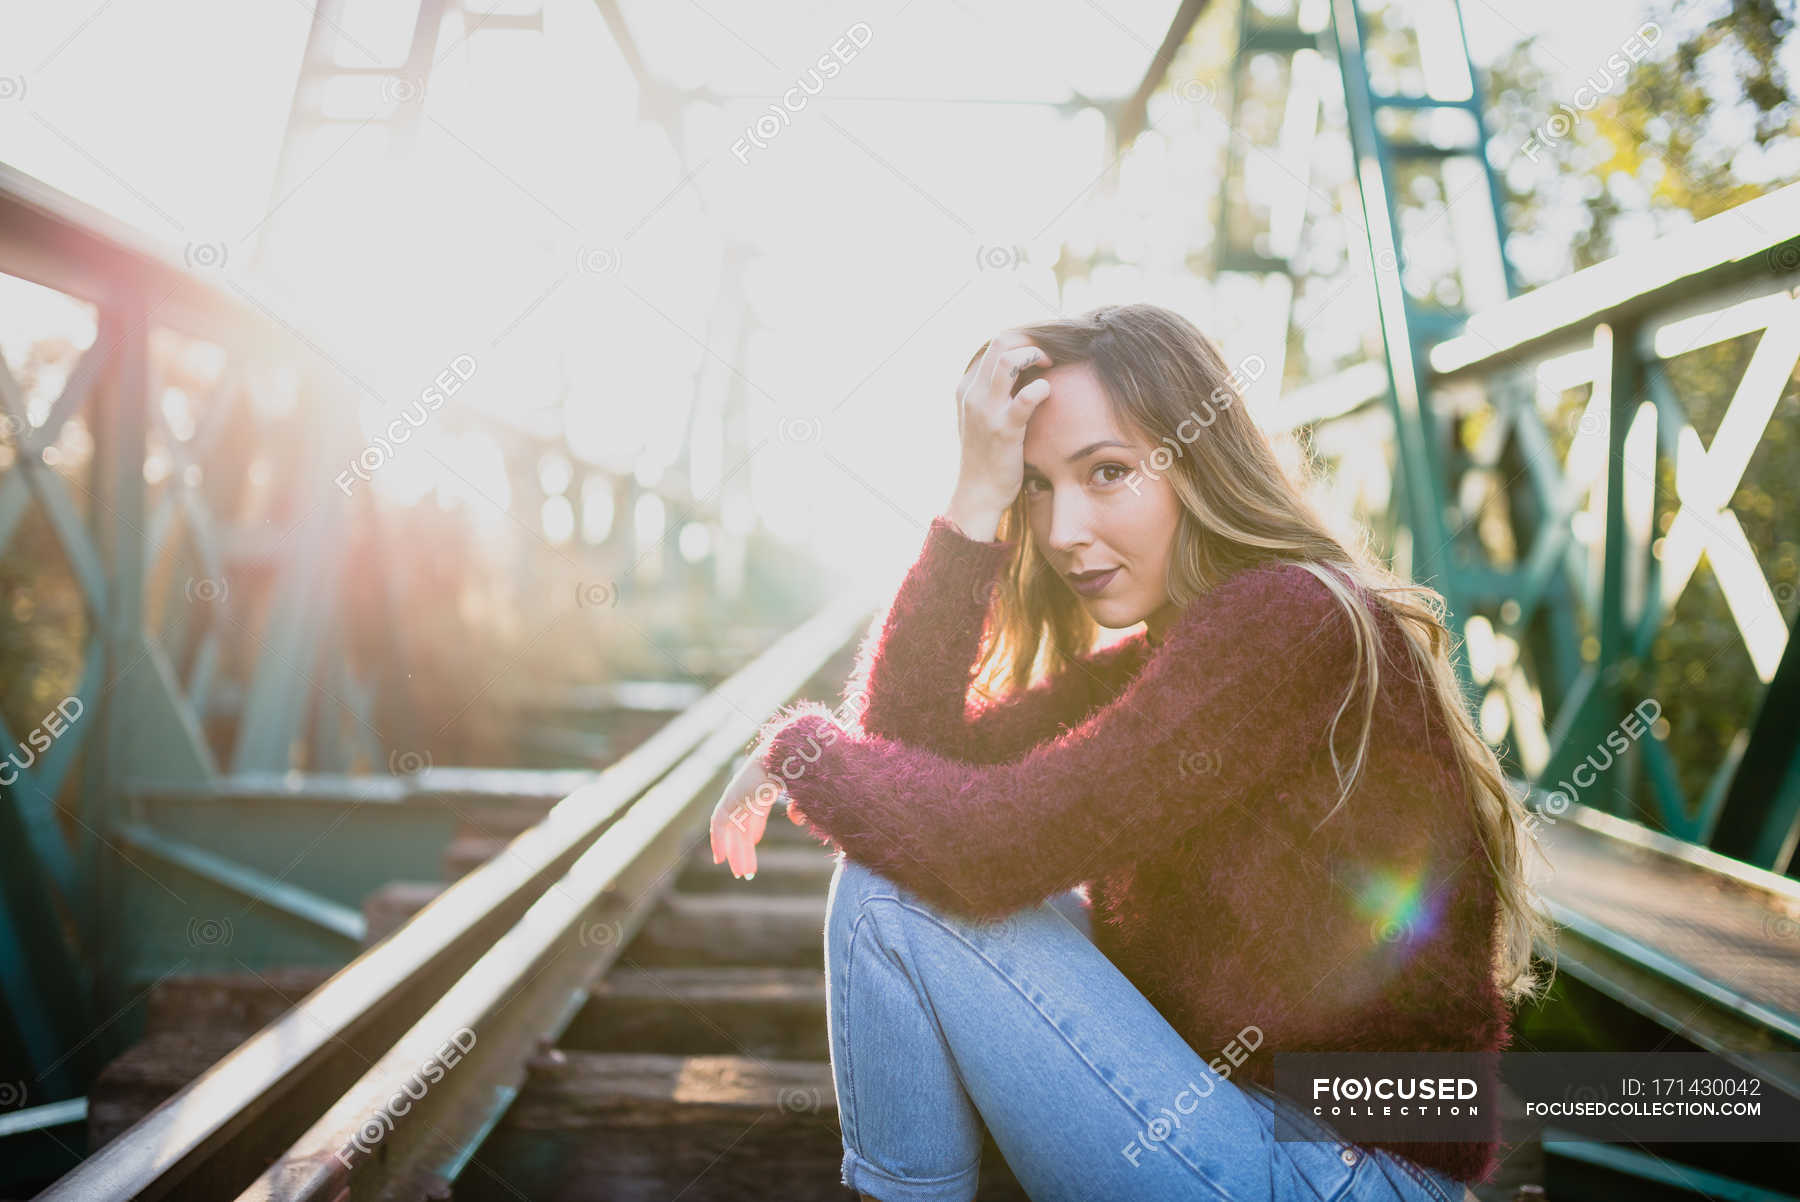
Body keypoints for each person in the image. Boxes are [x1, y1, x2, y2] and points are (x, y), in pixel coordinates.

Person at [709, 303, 1552, 1202]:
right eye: (1037, 486)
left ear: (1199, 465)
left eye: (1107, 472)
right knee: (899, 869)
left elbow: (994, 844)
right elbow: (905, 760)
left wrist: (804, 749)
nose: (1063, 528)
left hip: (1327, 1172)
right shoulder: (1166, 657)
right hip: (1260, 1131)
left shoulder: (1289, 621)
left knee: (886, 899)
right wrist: (973, 502)